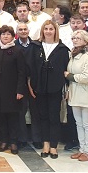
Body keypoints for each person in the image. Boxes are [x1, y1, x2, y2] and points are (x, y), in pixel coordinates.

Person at [30, 20, 69, 159]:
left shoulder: (62, 49)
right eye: (45, 28)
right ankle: (45, 143)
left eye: (51, 29)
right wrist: (31, 85)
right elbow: (31, 67)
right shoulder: (35, 46)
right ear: (42, 31)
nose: (48, 31)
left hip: (55, 88)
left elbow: (65, 69)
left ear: (55, 31)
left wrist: (65, 88)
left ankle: (53, 146)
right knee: (43, 117)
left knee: (54, 117)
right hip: (39, 87)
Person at [0, 25, 26, 154]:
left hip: (12, 91)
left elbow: (22, 72)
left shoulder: (17, 51)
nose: (5, 36)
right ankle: (3, 140)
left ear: (13, 36)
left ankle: (13, 142)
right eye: (3, 34)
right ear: (0, 36)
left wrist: (20, 90)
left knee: (13, 117)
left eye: (8, 34)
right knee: (0, 116)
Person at [65, 30, 88, 162]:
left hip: (87, 93)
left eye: (78, 38)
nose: (75, 40)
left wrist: (70, 76)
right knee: (79, 123)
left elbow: (86, 77)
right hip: (75, 92)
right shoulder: (73, 55)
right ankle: (82, 149)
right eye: (73, 38)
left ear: (85, 41)